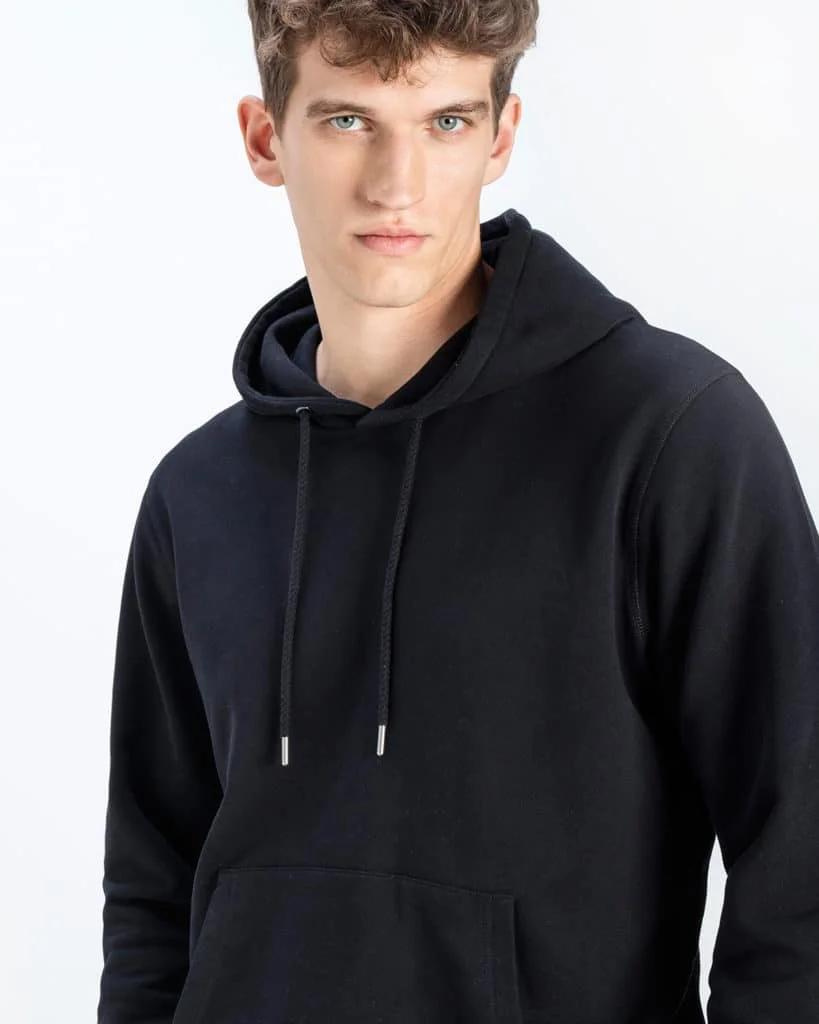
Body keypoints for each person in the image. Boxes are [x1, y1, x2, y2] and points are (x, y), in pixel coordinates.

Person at [96, 3, 819, 1023]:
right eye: (348, 120)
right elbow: (152, 887)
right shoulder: (198, 490)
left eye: (444, 122)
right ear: (265, 139)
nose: (397, 184)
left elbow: (799, 858)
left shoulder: (666, 437)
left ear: (501, 136)